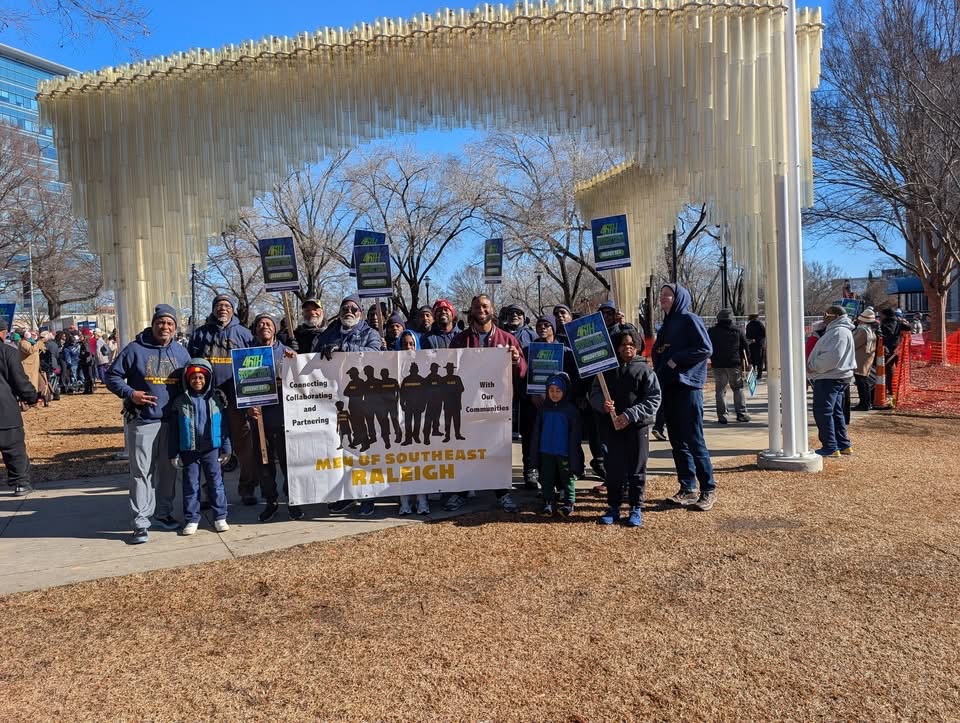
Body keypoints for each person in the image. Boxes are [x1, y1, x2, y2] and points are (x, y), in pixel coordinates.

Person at [106, 304, 191, 544]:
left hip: (172, 421)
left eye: (170, 324)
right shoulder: (135, 349)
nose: (165, 327)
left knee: (168, 472)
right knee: (142, 473)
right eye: (161, 323)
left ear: (175, 328)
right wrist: (131, 394)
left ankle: (163, 514)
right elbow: (111, 376)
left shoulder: (181, 352)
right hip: (144, 422)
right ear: (153, 324)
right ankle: (141, 522)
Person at [448, 294, 527, 513]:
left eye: (485, 306)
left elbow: (522, 372)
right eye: (477, 307)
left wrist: (516, 360)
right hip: (468, 406)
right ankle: (462, 492)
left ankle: (501, 493)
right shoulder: (460, 340)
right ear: (471, 311)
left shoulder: (507, 339)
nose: (481, 310)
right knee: (465, 451)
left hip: (497, 407)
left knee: (497, 451)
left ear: (492, 310)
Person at [653, 284, 717, 512]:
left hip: (688, 388)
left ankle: (708, 489)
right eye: (661, 296)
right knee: (677, 441)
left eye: (667, 295)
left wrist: (676, 359)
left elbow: (705, 349)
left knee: (694, 439)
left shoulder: (690, 319)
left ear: (678, 297)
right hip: (668, 387)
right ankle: (687, 488)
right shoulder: (666, 324)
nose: (663, 299)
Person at [188, 295, 257, 504]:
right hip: (209, 401)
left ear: (233, 310)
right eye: (219, 305)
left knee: (244, 447)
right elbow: (189, 364)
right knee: (212, 448)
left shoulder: (244, 334)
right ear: (213, 309)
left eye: (227, 306)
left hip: (238, 400)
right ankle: (211, 492)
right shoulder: (201, 334)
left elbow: (257, 362)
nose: (223, 309)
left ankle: (247, 490)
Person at [590, 329, 661, 527]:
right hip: (612, 427)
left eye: (631, 343)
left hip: (637, 427)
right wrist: (602, 405)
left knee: (637, 468)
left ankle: (636, 507)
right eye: (622, 344)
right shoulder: (606, 370)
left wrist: (631, 415)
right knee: (613, 468)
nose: (627, 347)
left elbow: (654, 399)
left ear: (637, 346)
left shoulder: (645, 370)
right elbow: (594, 393)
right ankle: (613, 507)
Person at [246, 313, 300, 522]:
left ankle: (293, 501)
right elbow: (240, 388)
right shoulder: (247, 354)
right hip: (259, 421)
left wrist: (296, 363)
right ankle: (271, 502)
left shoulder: (287, 352)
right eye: (260, 324)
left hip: (285, 418)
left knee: (289, 464)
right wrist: (248, 408)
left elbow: (303, 382)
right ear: (255, 330)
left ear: (275, 329)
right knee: (264, 466)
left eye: (268, 323)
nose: (264, 326)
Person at [168, 358, 232, 535]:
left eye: (201, 378)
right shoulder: (180, 401)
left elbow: (223, 426)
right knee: (190, 484)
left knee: (216, 483)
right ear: (187, 380)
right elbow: (174, 430)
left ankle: (220, 516)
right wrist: (173, 453)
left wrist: (227, 448)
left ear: (208, 379)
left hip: (211, 448)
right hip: (189, 450)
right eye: (194, 378)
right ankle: (192, 518)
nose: (198, 381)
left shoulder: (215, 400)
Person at [529, 372, 583, 517]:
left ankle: (569, 503)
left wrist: (575, 454)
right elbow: (536, 432)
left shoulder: (571, 410)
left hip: (564, 451)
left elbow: (575, 434)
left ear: (564, 391)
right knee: (546, 477)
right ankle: (548, 502)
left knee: (568, 478)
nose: (554, 394)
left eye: (558, 391)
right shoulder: (543, 409)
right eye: (551, 390)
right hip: (546, 451)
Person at [807, 305, 856, 457]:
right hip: (836, 376)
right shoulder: (839, 331)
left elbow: (832, 358)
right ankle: (842, 444)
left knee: (824, 412)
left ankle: (830, 446)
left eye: (826, 314)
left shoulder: (838, 332)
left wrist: (813, 366)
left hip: (829, 377)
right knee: (835, 412)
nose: (824, 317)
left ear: (835, 316)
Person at [0, 319, 38, 496]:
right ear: (2, 333)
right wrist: (31, 396)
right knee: (13, 448)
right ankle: (20, 483)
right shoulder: (7, 352)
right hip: (5, 409)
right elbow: (19, 380)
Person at [707, 308, 751, 424]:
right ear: (731, 319)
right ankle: (741, 413)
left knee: (720, 390)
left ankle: (722, 415)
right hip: (734, 363)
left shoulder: (711, 331)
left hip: (717, 364)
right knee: (738, 388)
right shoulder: (737, 331)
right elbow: (745, 346)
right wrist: (749, 362)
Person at [312, 295, 383, 356]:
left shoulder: (370, 333)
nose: (349, 311)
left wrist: (344, 348)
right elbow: (315, 353)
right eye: (345, 309)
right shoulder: (328, 333)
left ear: (360, 314)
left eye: (354, 309)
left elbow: (375, 353)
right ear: (340, 313)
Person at [879, 307, 910, 395]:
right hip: (899, 347)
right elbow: (908, 328)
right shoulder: (899, 321)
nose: (880, 316)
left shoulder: (884, 324)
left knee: (889, 369)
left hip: (888, 348)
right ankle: (901, 388)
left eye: (881, 315)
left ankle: (892, 388)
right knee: (900, 369)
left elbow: (884, 335)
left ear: (885, 315)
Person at [852, 308, 878, 411]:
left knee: (861, 382)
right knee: (864, 381)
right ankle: (866, 403)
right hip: (867, 357)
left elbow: (854, 343)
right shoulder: (870, 330)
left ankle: (864, 403)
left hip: (860, 358)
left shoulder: (862, 330)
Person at [745, 313, 766, 381]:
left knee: (754, 360)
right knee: (759, 359)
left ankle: (755, 375)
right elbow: (764, 334)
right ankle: (758, 375)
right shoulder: (759, 324)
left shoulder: (750, 325)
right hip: (757, 344)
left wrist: (752, 339)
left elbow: (747, 335)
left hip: (754, 344)